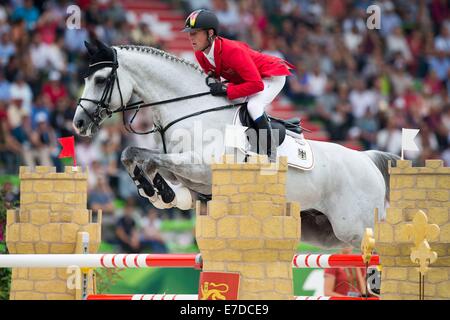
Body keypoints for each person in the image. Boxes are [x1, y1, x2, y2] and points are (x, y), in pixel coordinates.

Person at [182, 9, 295, 161]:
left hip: (271, 75)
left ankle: (270, 152)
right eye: (189, 33)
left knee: (253, 106)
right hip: (249, 79)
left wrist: (227, 90)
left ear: (210, 33)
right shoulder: (200, 54)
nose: (190, 37)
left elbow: (256, 85)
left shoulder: (232, 51)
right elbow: (215, 79)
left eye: (194, 33)